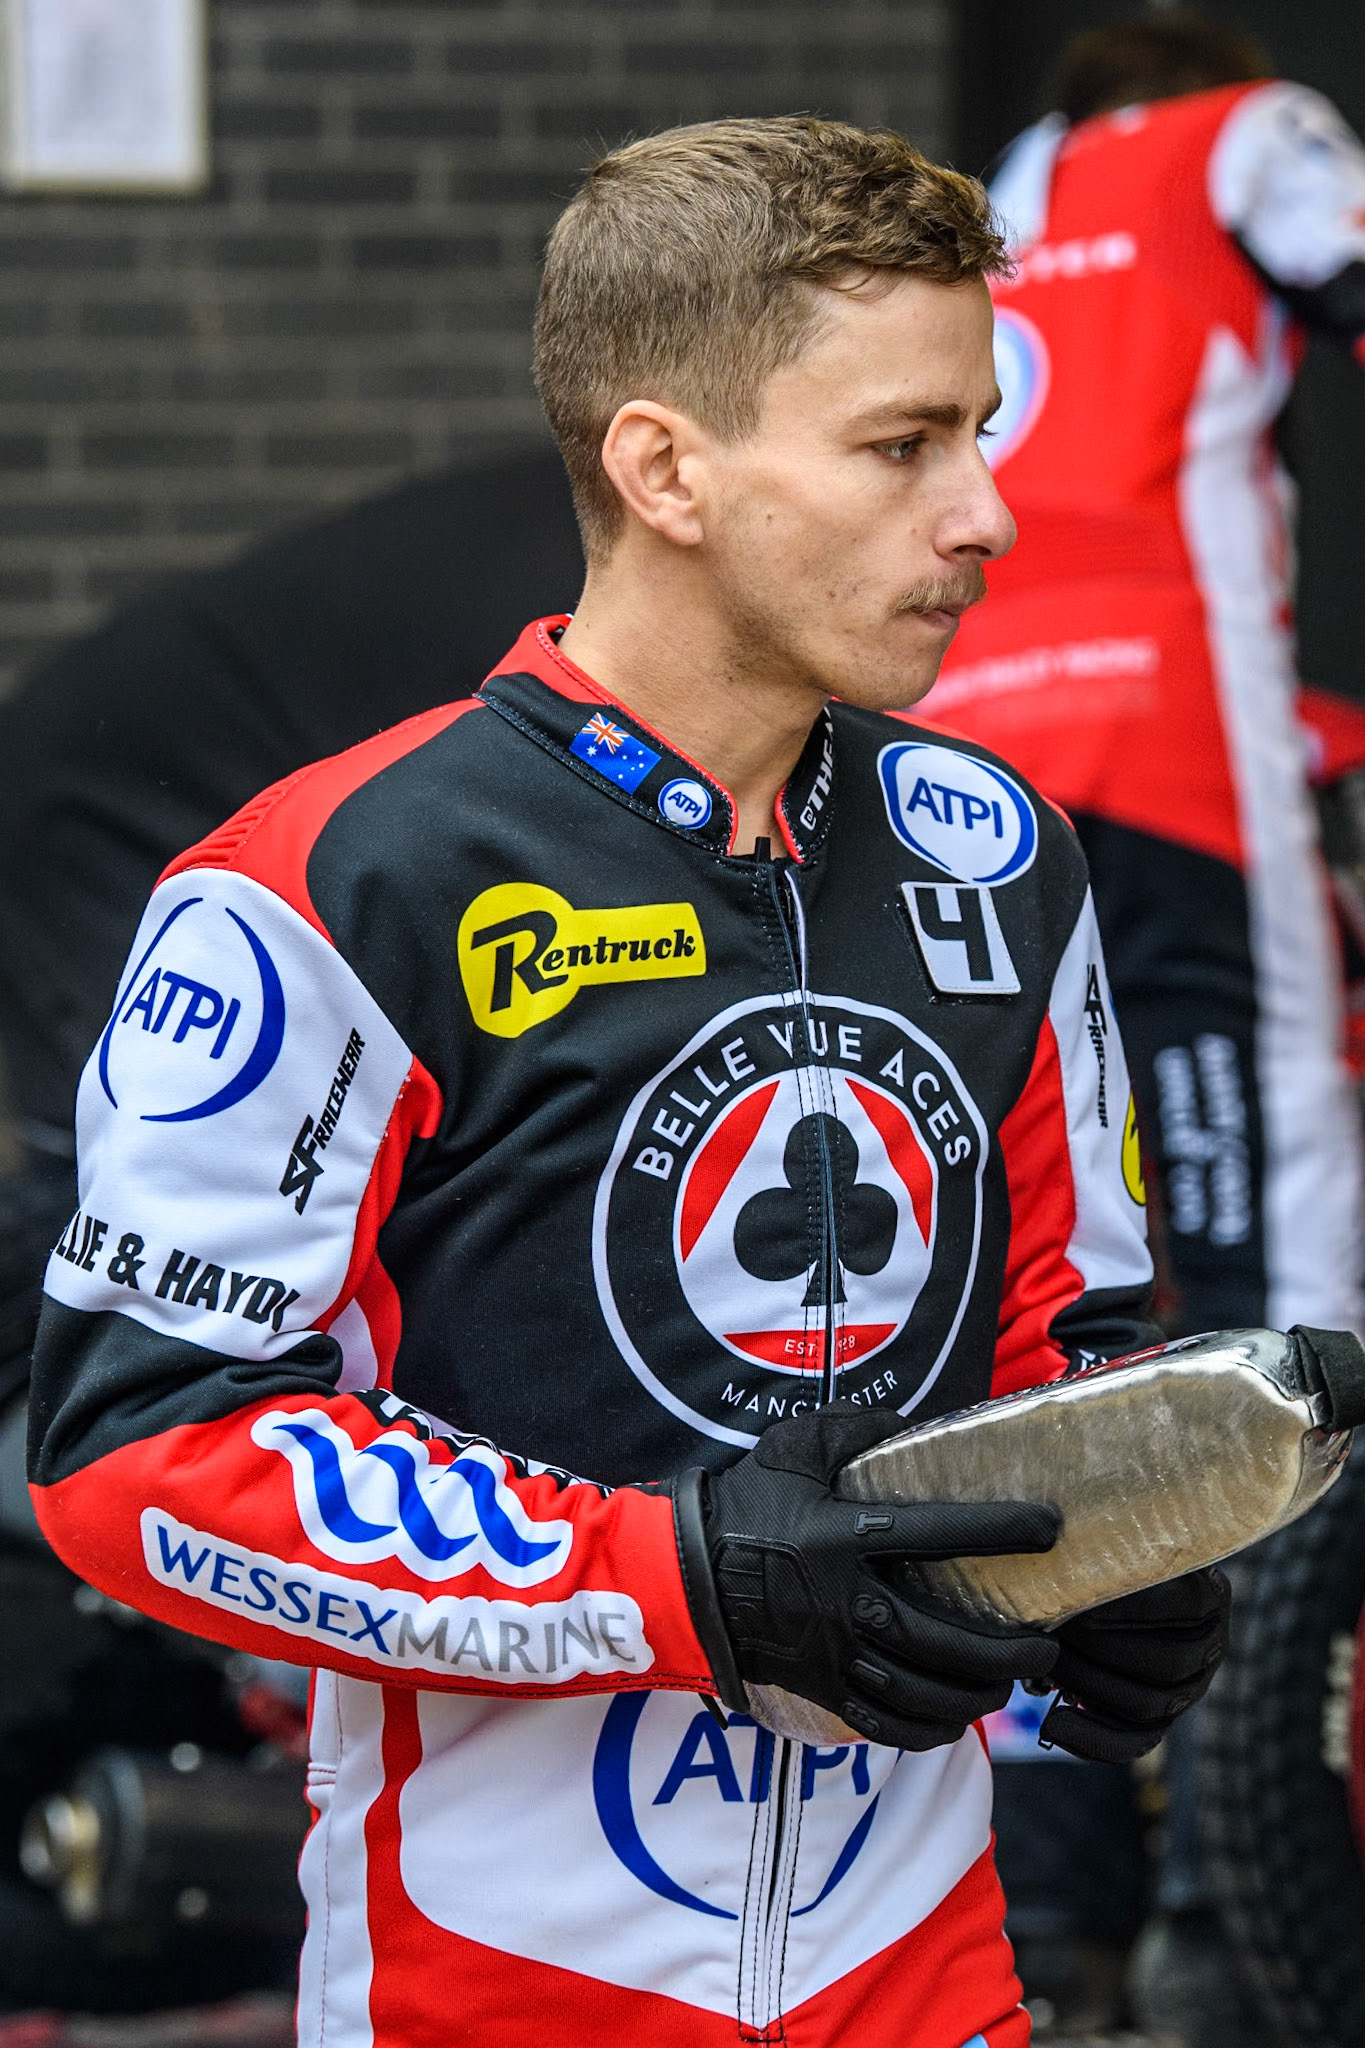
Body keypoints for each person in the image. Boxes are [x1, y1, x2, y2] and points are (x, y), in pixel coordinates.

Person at [26, 118, 1228, 2048]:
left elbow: (1058, 1328)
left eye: (980, 433)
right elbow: (132, 1457)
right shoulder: (342, 878)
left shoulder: (998, 855)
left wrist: (1117, 1537)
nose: (987, 514)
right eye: (904, 444)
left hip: (927, 1977)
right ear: (663, 466)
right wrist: (678, 1576)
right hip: (489, 1989)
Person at [920, 15, 1365, 2038]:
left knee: (1055, 1314)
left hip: (978, 741)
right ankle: (1230, 1917)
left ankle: (1051, 1901)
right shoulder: (1247, 130)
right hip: (1180, 729)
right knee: (1280, 1265)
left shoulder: (1014, 181)